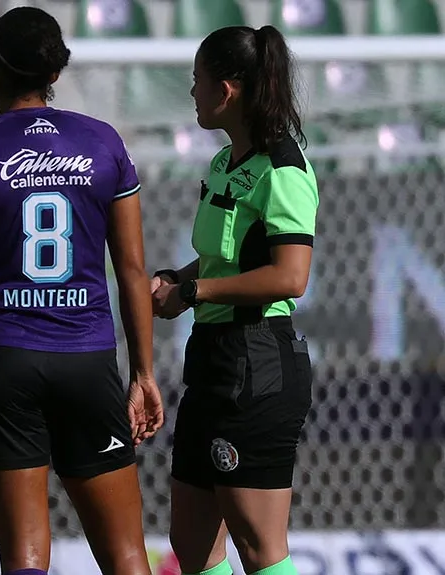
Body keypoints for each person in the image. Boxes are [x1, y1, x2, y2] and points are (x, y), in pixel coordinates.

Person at [0, 7, 163, 575]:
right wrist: (143, 372)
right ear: (54, 73)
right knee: (126, 555)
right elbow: (132, 269)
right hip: (86, 360)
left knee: (23, 557)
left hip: (0, 362)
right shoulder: (103, 143)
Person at [151, 25, 318, 575]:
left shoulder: (284, 169)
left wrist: (193, 292)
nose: (191, 92)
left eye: (196, 80)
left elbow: (290, 277)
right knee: (191, 539)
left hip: (257, 363)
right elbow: (225, 258)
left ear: (226, 90)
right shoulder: (225, 163)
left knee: (258, 543)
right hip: (213, 359)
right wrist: (176, 279)